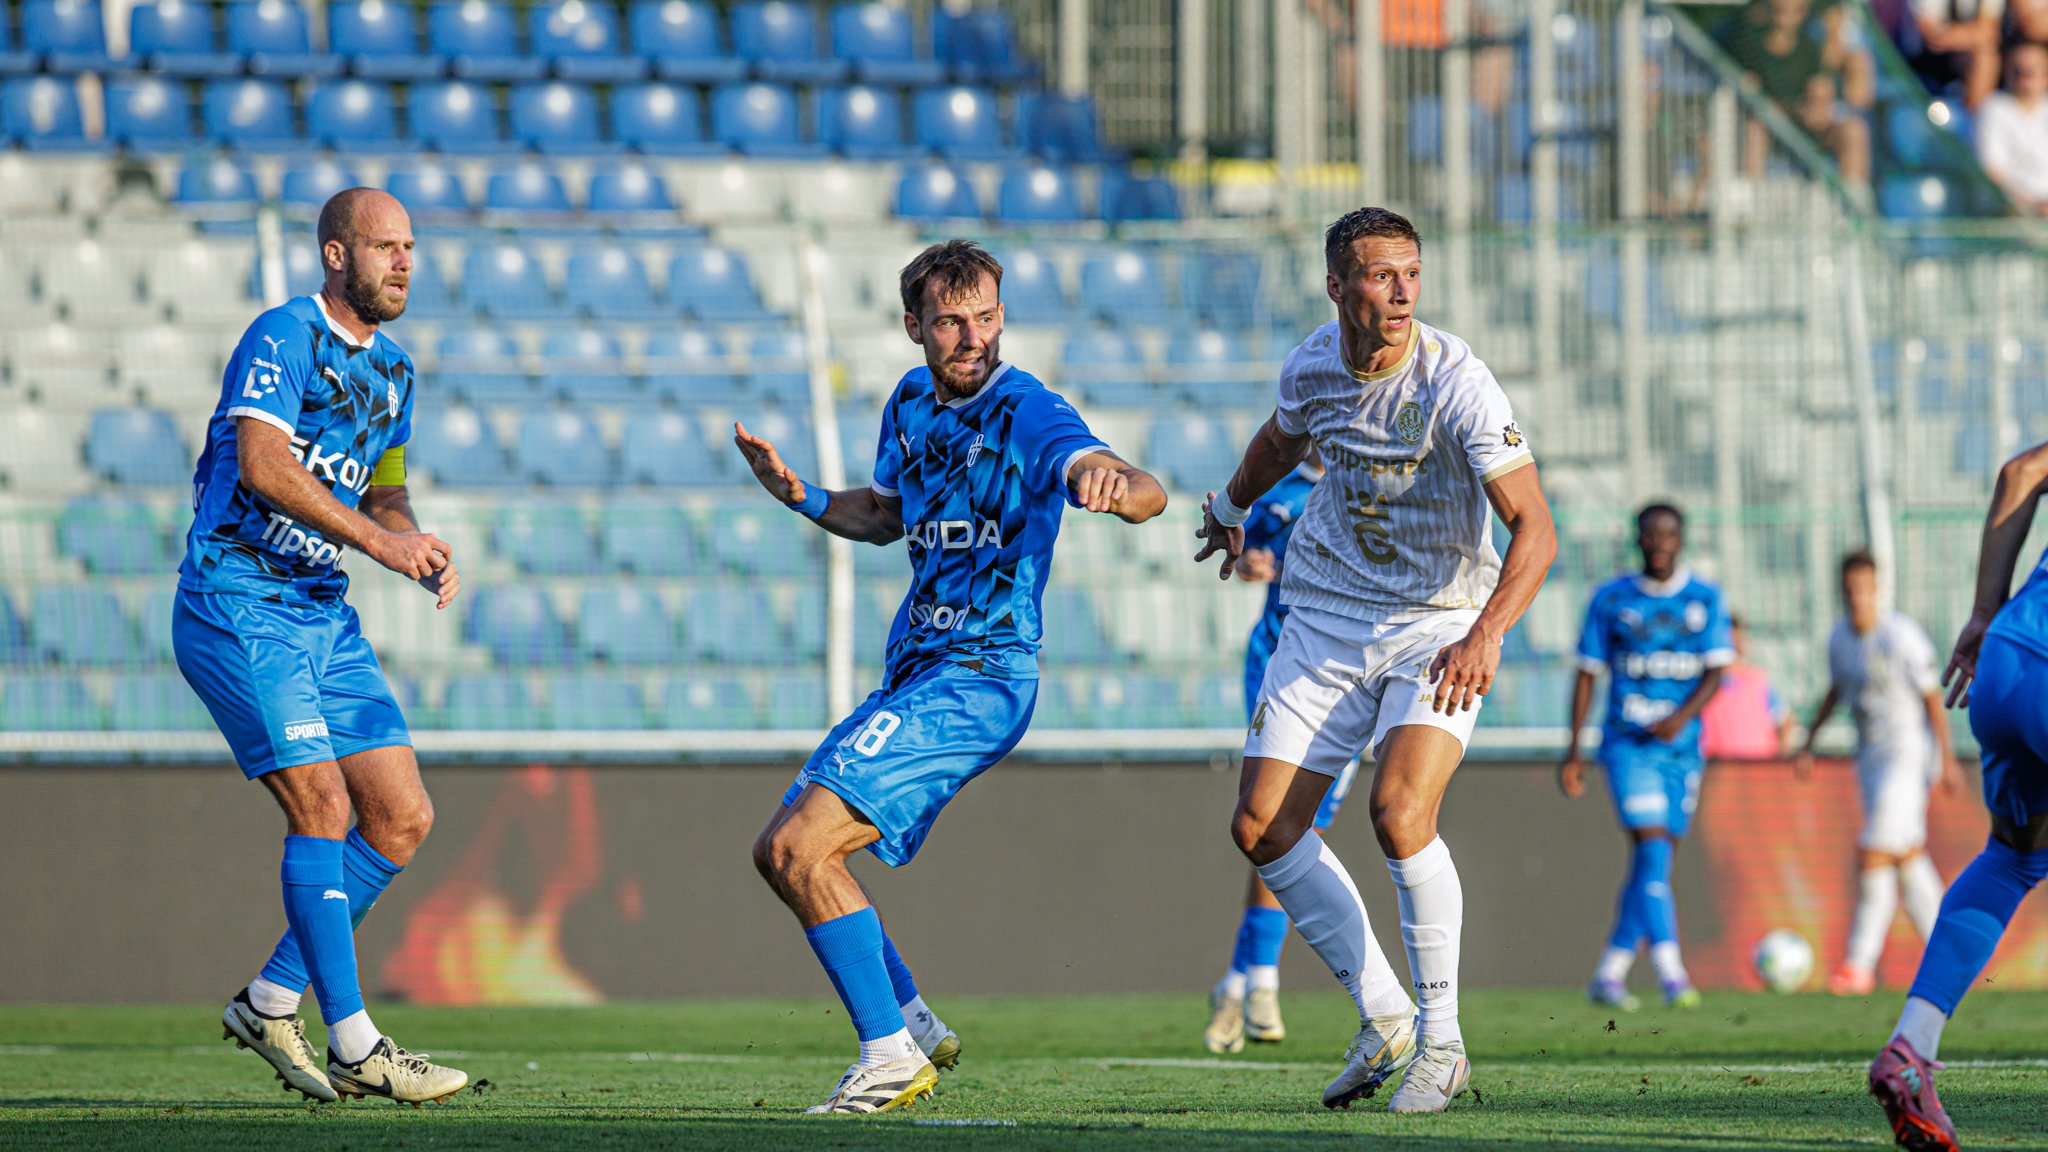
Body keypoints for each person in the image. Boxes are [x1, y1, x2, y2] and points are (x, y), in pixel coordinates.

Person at [735, 239, 1166, 1115]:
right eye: (950, 322)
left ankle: (888, 1055)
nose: (973, 338)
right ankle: (911, 1022)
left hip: (981, 674)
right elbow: (884, 514)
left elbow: (1132, 482)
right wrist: (799, 495)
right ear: (914, 327)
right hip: (917, 670)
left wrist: (1116, 486)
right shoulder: (908, 403)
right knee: (780, 848)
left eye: (987, 319)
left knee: (798, 848)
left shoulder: (1026, 409)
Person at [1195, 207, 1556, 1114]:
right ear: (1337, 286)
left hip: (1438, 623)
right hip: (1324, 613)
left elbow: (1536, 529)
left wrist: (1486, 633)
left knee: (1399, 813)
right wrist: (1230, 508)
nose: (1401, 293)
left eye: (1412, 274)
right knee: (1262, 827)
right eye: (1381, 275)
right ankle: (1385, 1013)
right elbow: (1280, 442)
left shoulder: (1457, 382)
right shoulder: (1313, 365)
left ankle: (1443, 1044)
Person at [174, 189, 467, 1105]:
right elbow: (263, 466)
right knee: (324, 807)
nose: (404, 262)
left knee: (401, 817)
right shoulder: (284, 335)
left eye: (410, 247)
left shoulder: (397, 373)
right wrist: (379, 545)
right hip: (239, 600)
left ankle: (269, 1000)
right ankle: (354, 1042)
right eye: (385, 247)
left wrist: (411, 542)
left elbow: (386, 493)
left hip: (320, 613)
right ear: (336, 255)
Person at [1867, 444, 2048, 1152]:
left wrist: (1982, 614)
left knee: (2014, 858)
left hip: (2006, 652)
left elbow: (2020, 474)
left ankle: (1911, 1047)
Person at [1202, 450, 1365, 1056]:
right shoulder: (1278, 488)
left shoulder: (1372, 481)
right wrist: (1248, 561)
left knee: (1298, 827)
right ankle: (1263, 983)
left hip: (1347, 673)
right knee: (1274, 819)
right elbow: (1245, 550)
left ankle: (1238, 982)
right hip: (1280, 663)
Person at [1562, 504, 1733, 1013]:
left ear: (1681, 540)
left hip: (1682, 752)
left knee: (1651, 864)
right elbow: (1588, 672)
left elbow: (1716, 672)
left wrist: (1680, 718)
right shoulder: (1612, 599)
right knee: (1653, 849)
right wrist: (1574, 748)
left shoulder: (1704, 598)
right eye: (1650, 535)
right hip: (1627, 746)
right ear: (1637, 540)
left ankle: (1609, 973)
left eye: (1668, 534)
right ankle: (1672, 974)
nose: (1659, 543)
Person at [1796, 552, 1960, 998]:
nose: (1858, 597)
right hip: (1868, 758)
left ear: (1877, 589)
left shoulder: (1901, 636)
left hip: (1907, 755)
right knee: (1904, 855)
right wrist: (1809, 741)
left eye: (1865, 588)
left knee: (1873, 850)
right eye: (1850, 589)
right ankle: (1950, 955)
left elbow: (1931, 698)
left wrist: (1946, 759)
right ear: (1841, 591)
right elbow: (1836, 691)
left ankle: (1858, 964)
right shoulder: (1839, 639)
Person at [1722, 0, 1875, 187]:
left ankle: (1853, 198)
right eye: (1781, 9)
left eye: (1794, 10)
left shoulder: (1809, 46)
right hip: (1767, 127)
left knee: (1854, 130)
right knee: (1754, 129)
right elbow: (1751, 95)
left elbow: (1819, 90)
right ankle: (1751, 196)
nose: (1786, 16)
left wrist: (1817, 108)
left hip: (1803, 125)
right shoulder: (1747, 44)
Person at [1699, 614, 1797, 762]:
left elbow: (1785, 722)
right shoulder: (1701, 683)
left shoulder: (1756, 682)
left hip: (1756, 768)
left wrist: (1778, 761)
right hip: (1716, 767)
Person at [1975, 40, 2048, 217]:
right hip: (2012, 211)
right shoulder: (1993, 109)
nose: (2026, 77)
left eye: (2033, 70)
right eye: (2018, 70)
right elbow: (1993, 173)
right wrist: (2033, 206)